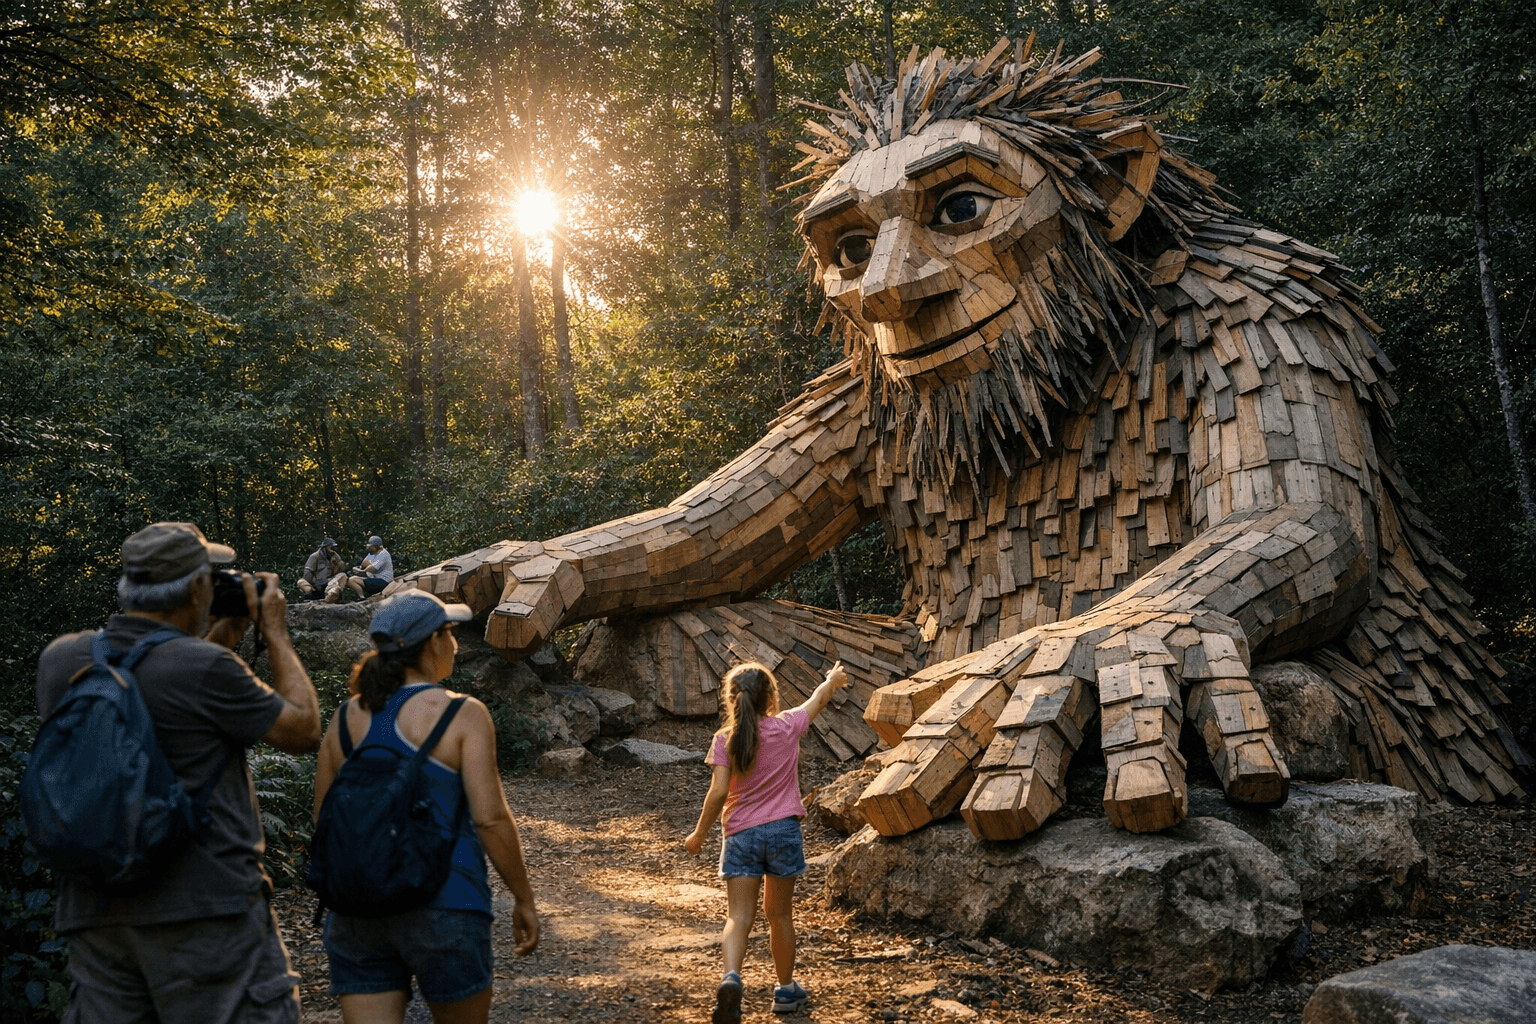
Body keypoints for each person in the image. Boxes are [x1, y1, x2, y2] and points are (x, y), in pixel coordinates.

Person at [34, 521, 322, 1024]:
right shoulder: (205, 668)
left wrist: (224, 636)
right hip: (206, 912)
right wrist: (274, 631)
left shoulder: (62, 660)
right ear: (196, 589)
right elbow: (302, 729)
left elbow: (159, 685)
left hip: (95, 915)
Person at [313, 589, 540, 1023]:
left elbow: (325, 820)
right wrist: (523, 898)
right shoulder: (462, 714)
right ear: (434, 642)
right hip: (446, 903)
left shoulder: (345, 718)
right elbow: (490, 819)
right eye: (451, 633)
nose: (455, 644)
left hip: (357, 910)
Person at [685, 659, 848, 1023]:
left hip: (741, 834)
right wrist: (831, 681)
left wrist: (699, 834)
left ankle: (731, 978)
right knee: (780, 916)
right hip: (782, 833)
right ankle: (786, 992)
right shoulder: (787, 726)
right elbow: (817, 701)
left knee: (738, 916)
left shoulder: (724, 739)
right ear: (770, 697)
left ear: (730, 699)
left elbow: (718, 792)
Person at [336, 534, 393, 602]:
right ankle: (361, 597)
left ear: (376, 546)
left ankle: (362, 598)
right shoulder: (373, 553)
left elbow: (373, 568)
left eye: (371, 547)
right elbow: (364, 563)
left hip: (383, 581)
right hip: (375, 579)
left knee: (353, 580)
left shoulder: (383, 554)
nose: (370, 548)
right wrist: (358, 568)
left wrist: (362, 571)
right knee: (350, 580)